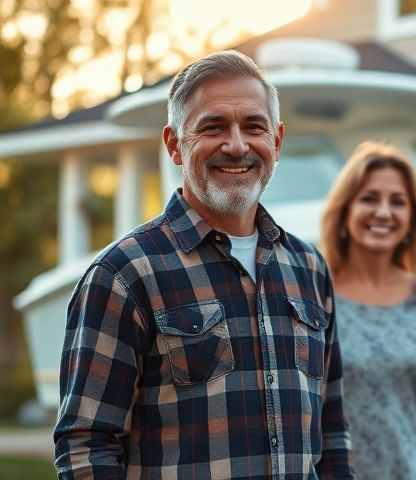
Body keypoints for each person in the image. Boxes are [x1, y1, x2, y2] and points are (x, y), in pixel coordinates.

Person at [54, 50, 354, 479]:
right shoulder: (124, 274)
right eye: (213, 127)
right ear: (175, 144)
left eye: (254, 127)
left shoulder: (309, 269)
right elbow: (86, 447)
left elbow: (333, 432)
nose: (236, 145)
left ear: (277, 141)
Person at [320, 141, 416, 479]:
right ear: (345, 211)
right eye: (369, 198)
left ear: (413, 217)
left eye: (398, 202)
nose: (383, 212)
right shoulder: (317, 295)